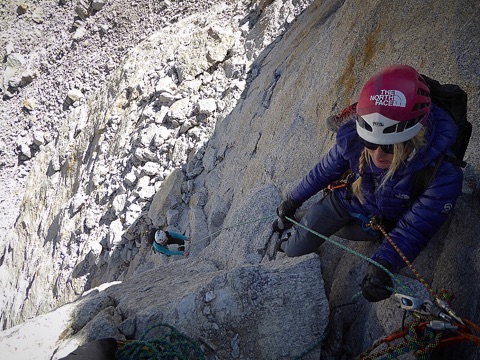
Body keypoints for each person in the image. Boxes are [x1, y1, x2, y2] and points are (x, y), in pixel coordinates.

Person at [275, 64, 463, 302]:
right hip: (349, 200)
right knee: (294, 249)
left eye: (389, 147)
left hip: (376, 225)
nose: (377, 155)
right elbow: (323, 171)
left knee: (331, 226)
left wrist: (382, 265)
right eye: (370, 143)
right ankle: (298, 218)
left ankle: (305, 216)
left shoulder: (442, 175)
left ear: (414, 136)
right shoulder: (354, 139)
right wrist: (292, 200)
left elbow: (414, 229)